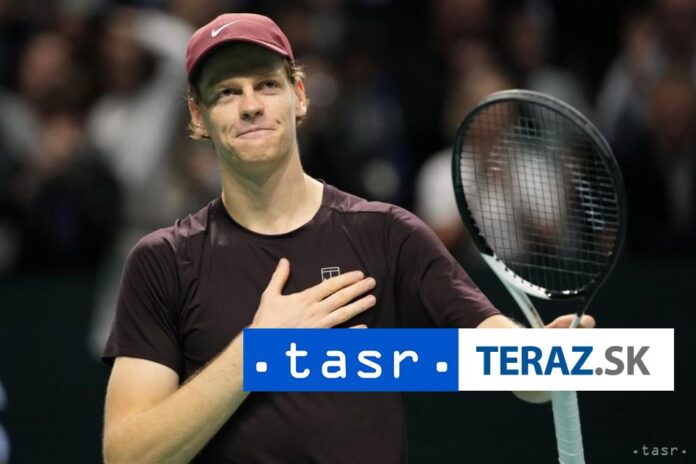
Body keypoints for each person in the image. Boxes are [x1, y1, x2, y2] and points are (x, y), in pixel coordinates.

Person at [101, 13, 594, 464]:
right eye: (227, 92)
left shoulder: (387, 235)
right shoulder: (162, 261)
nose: (250, 106)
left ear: (299, 95)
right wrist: (256, 355)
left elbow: (518, 372)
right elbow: (129, 457)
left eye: (267, 85)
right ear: (197, 115)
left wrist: (546, 362)